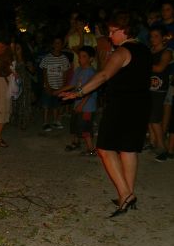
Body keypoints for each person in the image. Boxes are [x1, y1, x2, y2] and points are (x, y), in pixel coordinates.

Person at [60, 12, 152, 218]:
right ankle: (126, 195)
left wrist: (79, 92)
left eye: (113, 31)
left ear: (125, 31)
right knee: (128, 149)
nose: (110, 36)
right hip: (140, 104)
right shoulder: (144, 50)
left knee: (104, 148)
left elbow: (103, 75)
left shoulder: (122, 52)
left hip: (122, 105)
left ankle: (126, 195)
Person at [54, 46, 98, 155]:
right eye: (79, 56)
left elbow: (90, 91)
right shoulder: (79, 69)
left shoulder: (91, 72)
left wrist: (81, 105)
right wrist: (59, 90)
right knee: (74, 124)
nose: (80, 59)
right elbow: (72, 84)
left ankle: (91, 149)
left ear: (91, 59)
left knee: (85, 127)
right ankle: (75, 143)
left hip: (87, 106)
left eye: (84, 56)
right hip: (77, 103)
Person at [147, 25, 172, 157]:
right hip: (148, 88)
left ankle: (162, 147)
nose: (153, 39)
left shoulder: (167, 52)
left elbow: (160, 68)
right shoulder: (150, 51)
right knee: (149, 117)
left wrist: (143, 64)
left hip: (159, 89)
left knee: (155, 118)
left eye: (156, 36)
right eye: (151, 36)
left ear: (163, 38)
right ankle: (153, 142)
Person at [39, 36, 70, 131]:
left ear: (62, 45)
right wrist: (47, 85)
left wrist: (63, 86)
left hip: (59, 86)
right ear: (53, 44)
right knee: (46, 104)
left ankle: (56, 121)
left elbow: (65, 73)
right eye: (56, 43)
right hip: (48, 85)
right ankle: (45, 122)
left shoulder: (64, 58)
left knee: (56, 104)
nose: (57, 45)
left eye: (59, 43)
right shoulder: (47, 57)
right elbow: (44, 72)